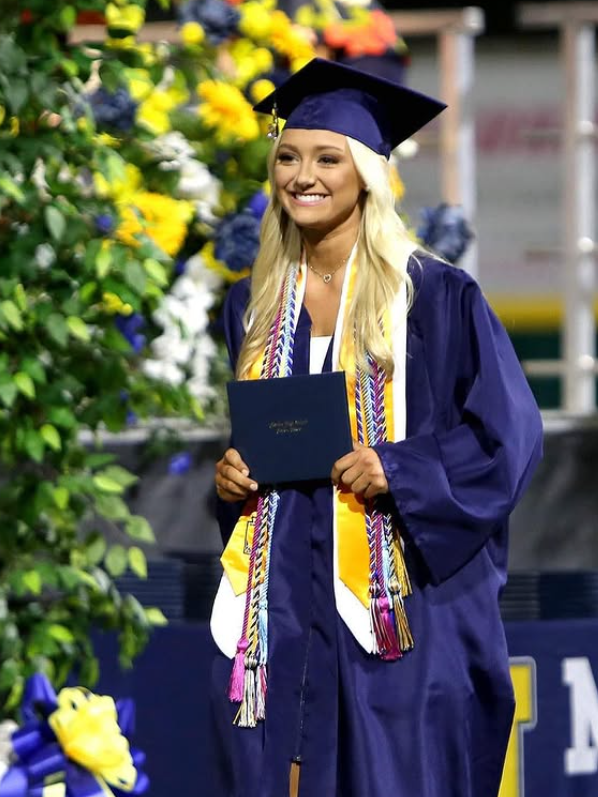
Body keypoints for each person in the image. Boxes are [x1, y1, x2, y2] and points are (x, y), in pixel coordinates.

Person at [210, 57, 543, 797]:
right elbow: (265, 440)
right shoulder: (253, 306)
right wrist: (230, 478)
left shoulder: (436, 297)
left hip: (398, 610)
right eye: (289, 158)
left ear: (366, 173)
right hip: (280, 612)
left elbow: (506, 438)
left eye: (327, 159)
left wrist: (402, 467)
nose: (303, 176)